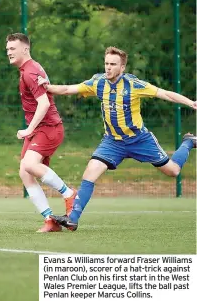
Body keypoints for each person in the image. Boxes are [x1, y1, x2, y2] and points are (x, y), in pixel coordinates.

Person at [37, 46, 197, 231]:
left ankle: (188, 142)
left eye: (113, 64)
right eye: (106, 63)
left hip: (139, 140)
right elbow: (67, 89)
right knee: (90, 172)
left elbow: (164, 93)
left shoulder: (134, 85)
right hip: (112, 142)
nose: (108, 68)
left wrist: (191, 102)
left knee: (173, 171)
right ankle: (72, 219)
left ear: (122, 68)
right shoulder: (98, 82)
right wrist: (47, 87)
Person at [6, 33, 77, 233]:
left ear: (25, 49)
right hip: (39, 130)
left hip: (48, 129)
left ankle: (70, 194)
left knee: (29, 165)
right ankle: (50, 220)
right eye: (8, 49)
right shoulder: (29, 69)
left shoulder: (29, 71)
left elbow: (44, 103)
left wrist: (29, 129)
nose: (9, 52)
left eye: (13, 49)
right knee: (24, 171)